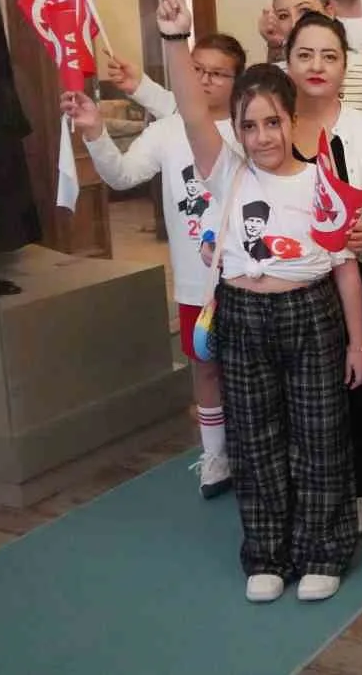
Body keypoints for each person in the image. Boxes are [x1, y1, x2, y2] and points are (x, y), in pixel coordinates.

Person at [164, 0, 362, 605]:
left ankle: (322, 551)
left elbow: (347, 271)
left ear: (291, 120)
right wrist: (176, 38)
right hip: (242, 314)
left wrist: (358, 342)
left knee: (319, 434)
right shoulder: (226, 170)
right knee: (254, 437)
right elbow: (190, 110)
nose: (261, 137)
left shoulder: (320, 182)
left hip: (310, 314)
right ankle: (267, 554)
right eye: (248, 125)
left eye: (272, 122)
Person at [60, 35, 245, 498]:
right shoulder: (167, 131)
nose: (205, 80)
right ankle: (216, 456)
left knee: (251, 371)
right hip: (192, 283)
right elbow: (121, 175)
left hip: (249, 280)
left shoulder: (250, 128)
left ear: (237, 81)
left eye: (218, 73)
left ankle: (260, 452)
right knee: (203, 367)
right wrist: (94, 130)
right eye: (197, 69)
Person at [282, 12, 362, 539]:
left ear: (344, 65)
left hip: (361, 273)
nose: (316, 66)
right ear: (287, 61)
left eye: (329, 56)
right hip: (292, 279)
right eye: (305, 54)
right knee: (304, 383)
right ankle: (307, 481)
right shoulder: (271, 125)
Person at [259, 0, 362, 118]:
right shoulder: (275, 75)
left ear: (329, 11)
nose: (294, 22)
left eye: (304, 10)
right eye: (283, 16)